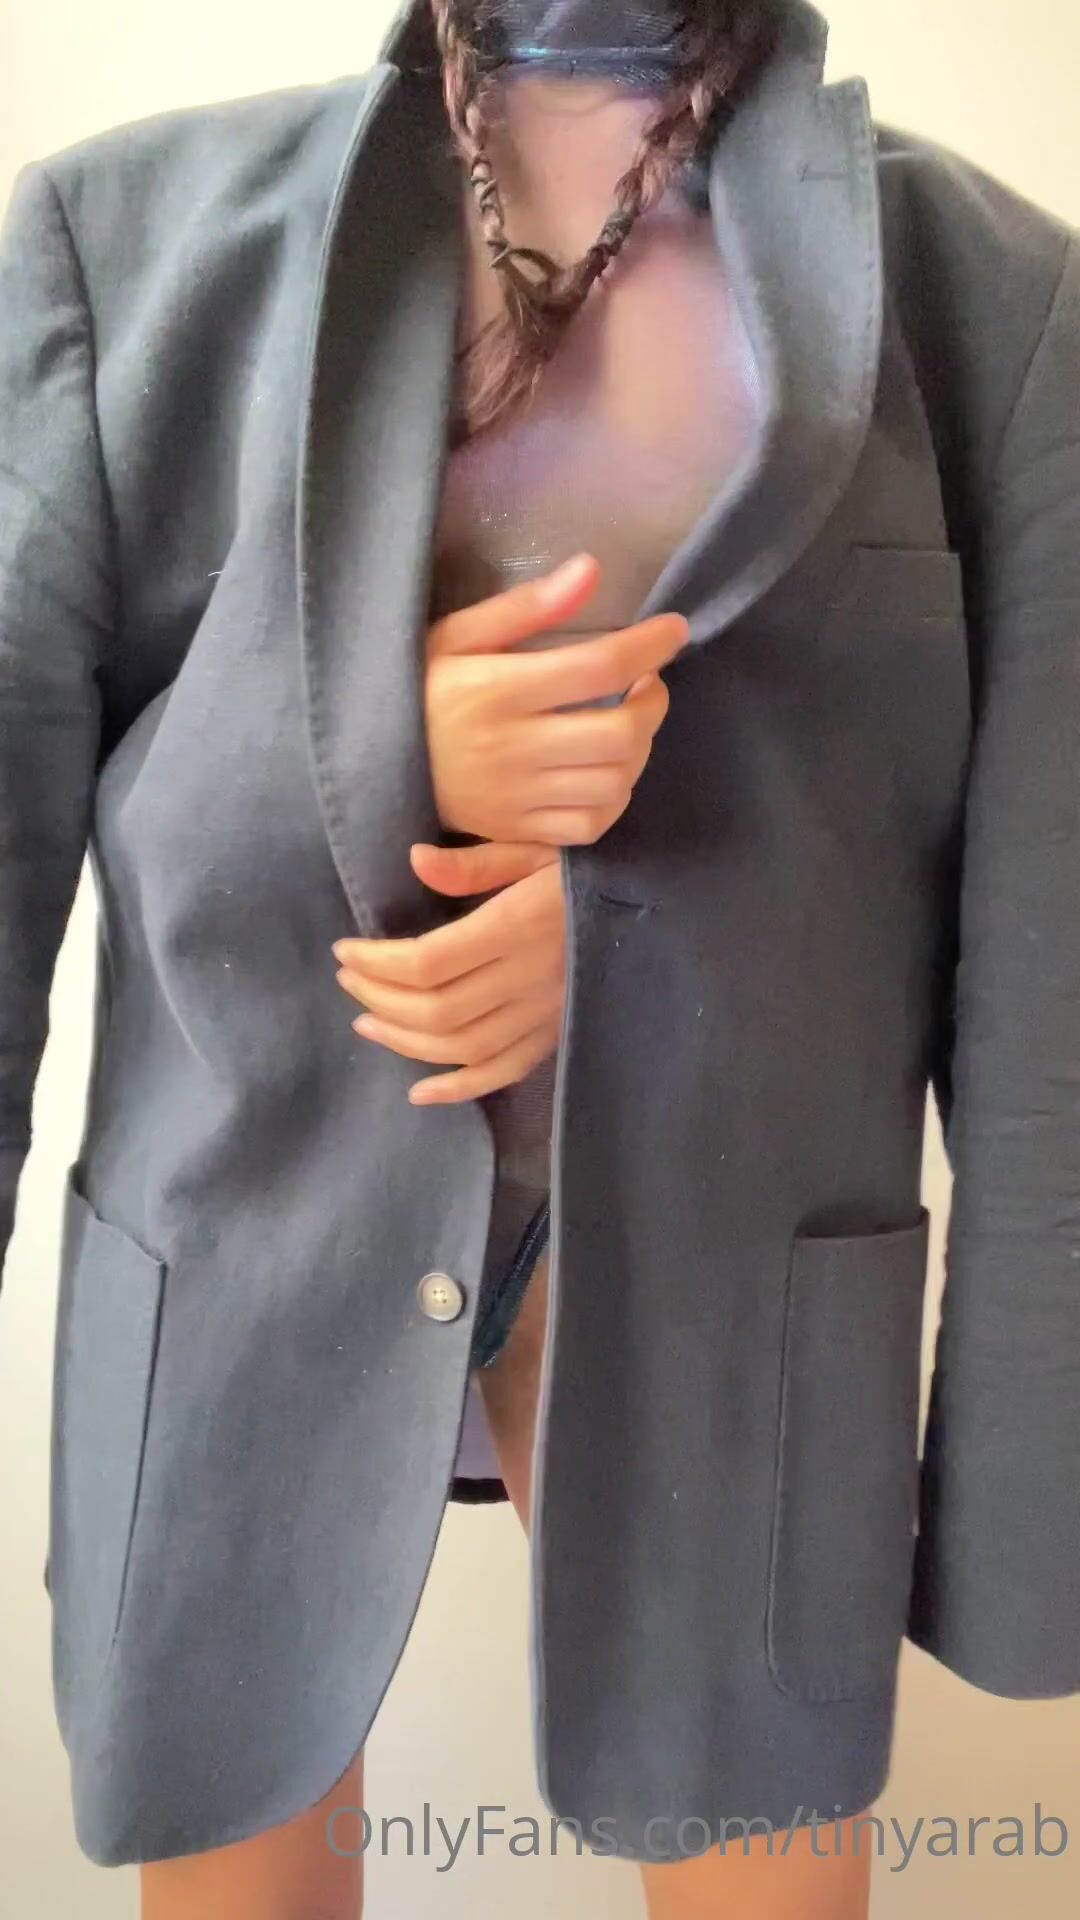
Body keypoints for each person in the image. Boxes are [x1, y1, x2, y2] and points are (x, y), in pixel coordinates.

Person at [1, 1, 1077, 1915]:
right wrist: (383, 743)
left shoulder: (991, 294)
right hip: (246, 1265)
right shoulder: (123, 243)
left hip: (737, 1296)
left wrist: (1022, 1523)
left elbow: (1039, 954)